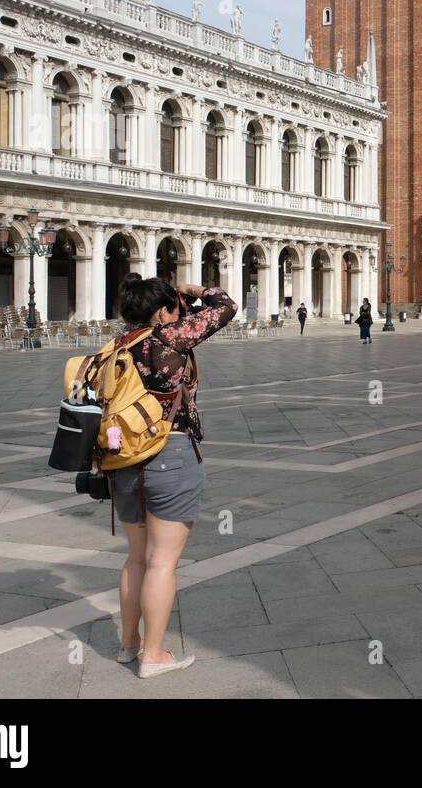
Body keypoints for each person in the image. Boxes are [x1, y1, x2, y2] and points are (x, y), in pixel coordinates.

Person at [114, 274, 236, 678]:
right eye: (173, 307)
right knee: (162, 562)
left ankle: (129, 644)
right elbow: (225, 306)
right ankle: (153, 655)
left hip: (123, 460)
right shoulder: (169, 338)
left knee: (135, 558)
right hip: (170, 453)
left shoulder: (117, 346)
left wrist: (176, 301)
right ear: (163, 311)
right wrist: (193, 291)